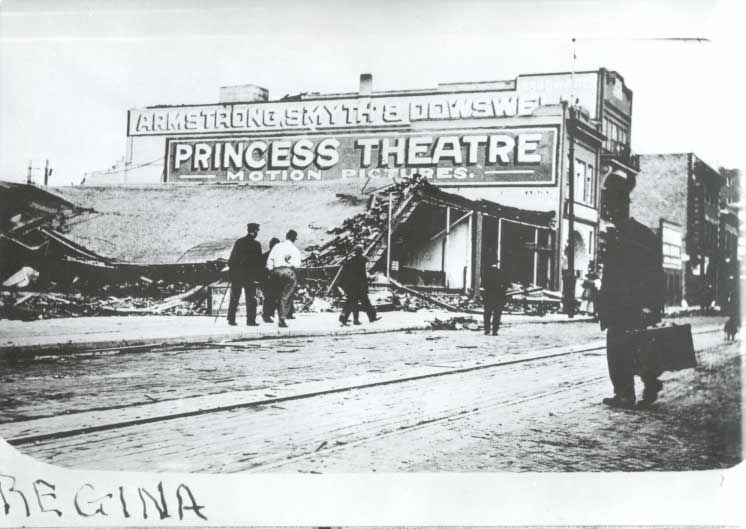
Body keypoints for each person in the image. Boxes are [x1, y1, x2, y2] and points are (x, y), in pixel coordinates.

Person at [597, 175, 665, 409]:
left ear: (623, 204)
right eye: (609, 206)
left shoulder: (641, 236)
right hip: (616, 305)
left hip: (634, 305)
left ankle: (638, 387)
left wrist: (651, 305)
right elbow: (610, 273)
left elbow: (654, 274)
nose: (610, 210)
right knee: (619, 349)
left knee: (634, 348)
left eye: (614, 205)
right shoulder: (615, 234)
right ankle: (627, 392)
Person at [226, 222, 264, 326]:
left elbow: (232, 259)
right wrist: (259, 276)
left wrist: (232, 271)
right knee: (251, 298)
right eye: (257, 231)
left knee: (234, 297)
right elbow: (259, 263)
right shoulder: (256, 244)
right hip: (250, 276)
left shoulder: (239, 242)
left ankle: (231, 319)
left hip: (237, 274)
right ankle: (250, 321)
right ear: (255, 231)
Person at [266, 229, 301, 328]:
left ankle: (269, 314)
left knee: (276, 295)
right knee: (286, 296)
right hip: (288, 271)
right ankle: (282, 319)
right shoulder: (295, 249)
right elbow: (297, 265)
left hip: (276, 272)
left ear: (286, 236)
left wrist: (271, 270)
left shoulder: (277, 246)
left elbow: (270, 259)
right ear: (294, 239)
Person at [338, 245, 379, 326]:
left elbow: (345, 273)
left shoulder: (350, 261)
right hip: (360, 286)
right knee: (366, 302)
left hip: (351, 286)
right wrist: (366, 283)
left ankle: (346, 318)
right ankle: (371, 317)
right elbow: (363, 275)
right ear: (361, 252)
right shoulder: (362, 260)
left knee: (352, 303)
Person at [482, 262, 509, 336]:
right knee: (497, 314)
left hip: (488, 296)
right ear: (497, 264)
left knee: (487, 313)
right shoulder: (501, 272)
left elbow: (483, 284)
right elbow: (507, 285)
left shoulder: (486, 273)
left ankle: (487, 329)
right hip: (499, 296)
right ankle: (495, 331)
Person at [261, 237, 280, 323]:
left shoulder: (265, 255)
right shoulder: (277, 256)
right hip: (270, 280)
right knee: (271, 298)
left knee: (269, 298)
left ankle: (268, 314)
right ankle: (267, 315)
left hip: (266, 280)